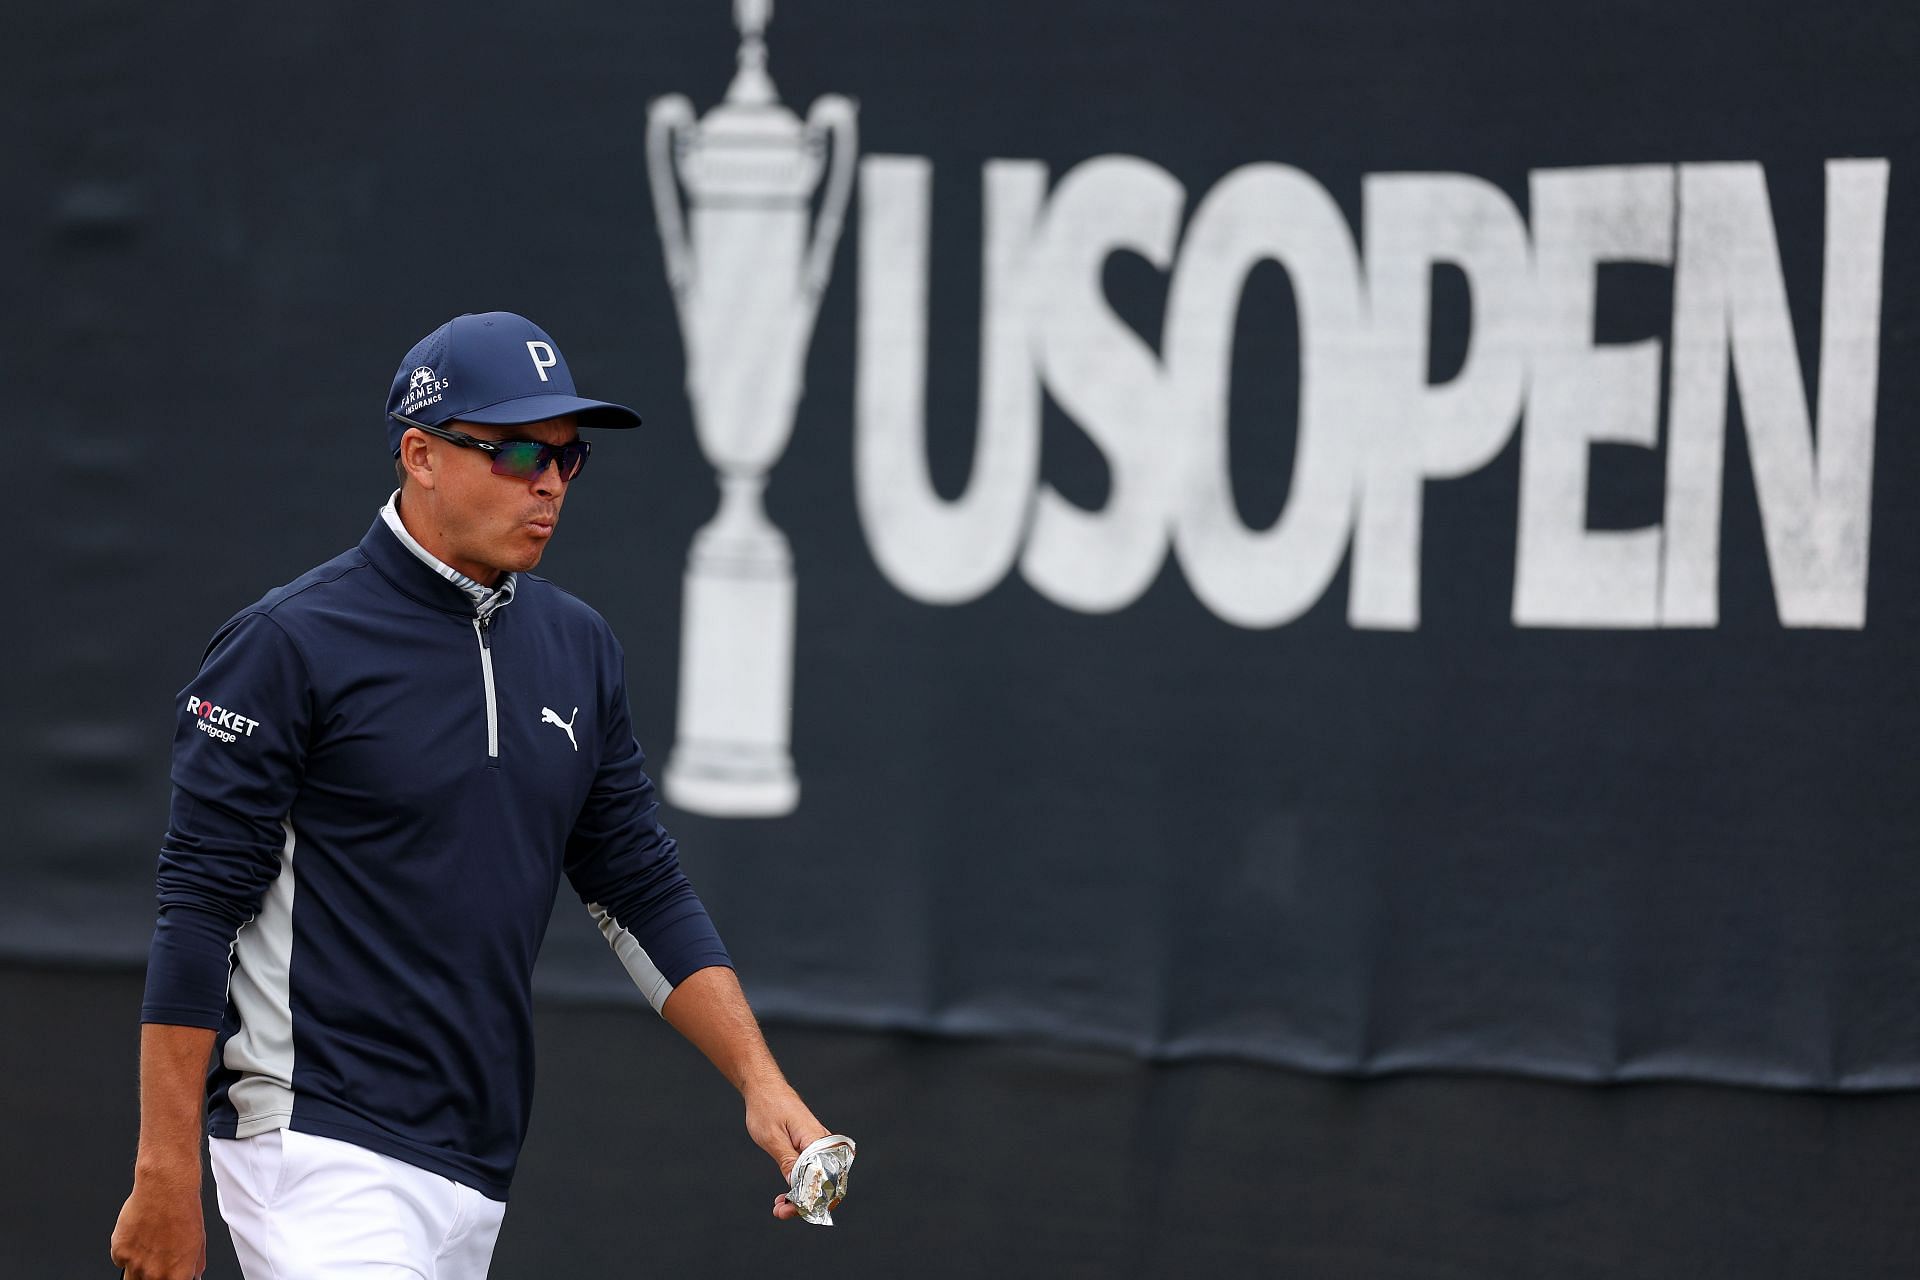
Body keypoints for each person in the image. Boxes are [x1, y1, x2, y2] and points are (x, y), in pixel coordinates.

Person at [110, 311, 833, 1280]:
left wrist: (761, 1080)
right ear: (421, 454)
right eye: (518, 448)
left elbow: (641, 887)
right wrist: (164, 1169)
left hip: (477, 1166)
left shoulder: (578, 647)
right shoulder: (287, 643)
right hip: (314, 1143)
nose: (547, 480)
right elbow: (198, 911)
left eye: (568, 459)